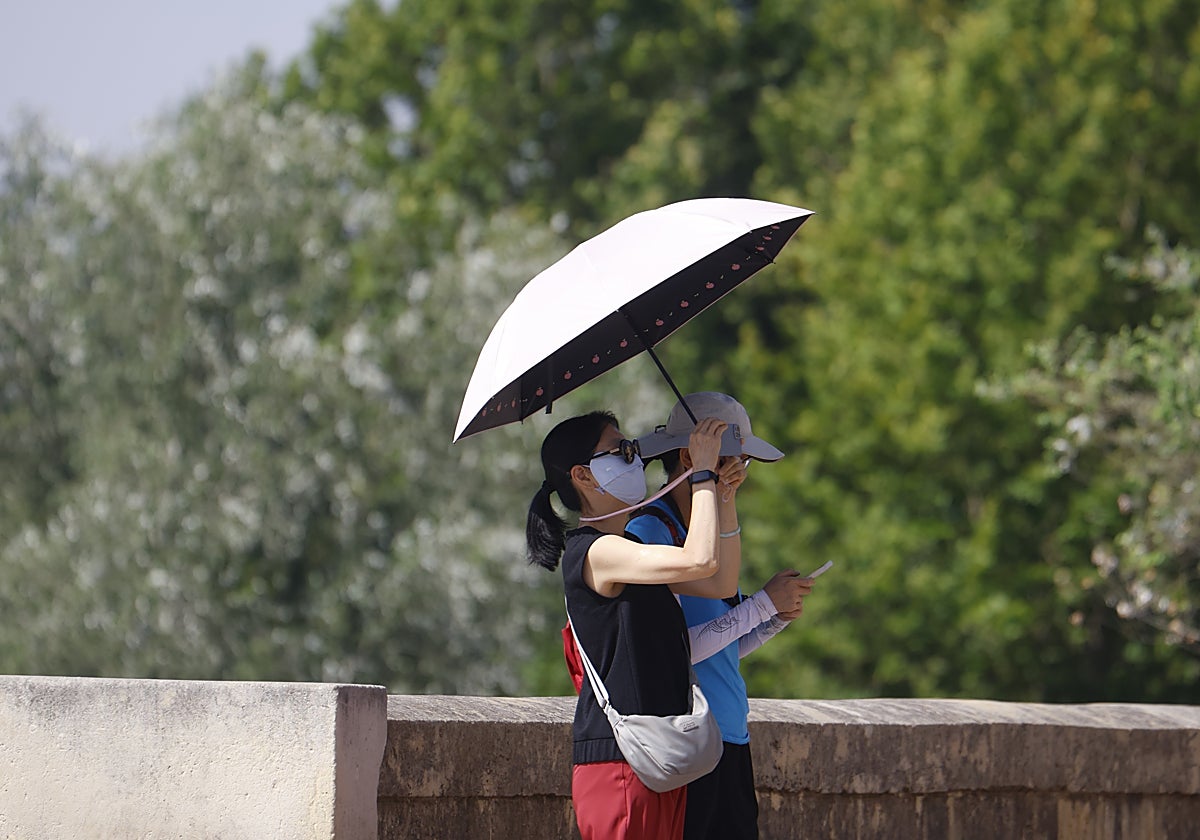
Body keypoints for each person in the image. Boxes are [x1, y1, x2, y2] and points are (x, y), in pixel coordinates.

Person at [526, 409, 734, 840]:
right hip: (620, 762)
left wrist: (723, 495)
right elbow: (700, 558)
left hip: (658, 752)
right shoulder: (594, 552)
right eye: (620, 452)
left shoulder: (630, 547)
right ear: (582, 476)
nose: (634, 459)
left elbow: (718, 581)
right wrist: (703, 479)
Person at [626, 392, 816, 840]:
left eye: (741, 465)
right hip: (688, 741)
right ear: (690, 457)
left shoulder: (714, 530)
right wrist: (762, 605)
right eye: (728, 462)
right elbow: (677, 651)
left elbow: (724, 648)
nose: (737, 475)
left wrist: (774, 618)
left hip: (730, 736)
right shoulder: (649, 531)